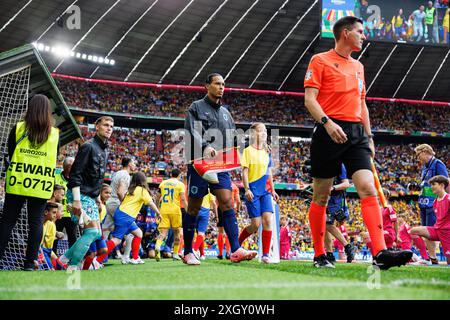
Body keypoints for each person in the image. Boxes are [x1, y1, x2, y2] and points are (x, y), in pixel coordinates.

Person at [303, 16, 412, 269]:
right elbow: (310, 99)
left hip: (356, 134)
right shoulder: (319, 60)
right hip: (327, 130)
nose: (364, 36)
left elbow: (362, 103)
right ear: (345, 34)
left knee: (367, 187)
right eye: (360, 32)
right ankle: (320, 254)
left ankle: (381, 254)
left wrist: (369, 135)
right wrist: (328, 124)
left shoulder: (359, 66)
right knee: (321, 195)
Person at [183, 73, 256, 265]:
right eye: (217, 84)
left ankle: (236, 249)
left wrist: (247, 142)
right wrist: (206, 146)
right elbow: (192, 131)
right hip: (199, 164)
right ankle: (188, 252)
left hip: (221, 165)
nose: (221, 87)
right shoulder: (196, 107)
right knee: (194, 208)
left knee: (227, 202)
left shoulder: (226, 113)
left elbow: (233, 140)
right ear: (207, 86)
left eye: (223, 84)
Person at [0, 94, 60, 271]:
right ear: (48, 111)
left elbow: (10, 154)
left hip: (18, 181)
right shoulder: (55, 134)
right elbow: (54, 158)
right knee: (35, 222)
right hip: (40, 184)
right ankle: (29, 263)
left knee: (8, 221)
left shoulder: (18, 128)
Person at [60, 116, 114, 270]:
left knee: (96, 233)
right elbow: (76, 174)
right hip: (79, 195)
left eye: (111, 126)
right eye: (105, 125)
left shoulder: (105, 149)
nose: (109, 128)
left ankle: (63, 259)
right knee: (91, 233)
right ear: (97, 127)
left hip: (90, 196)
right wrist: (76, 200)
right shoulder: (88, 146)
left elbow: (97, 176)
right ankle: (72, 267)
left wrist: (97, 197)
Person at [96, 172, 160, 265]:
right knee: (117, 240)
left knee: (138, 233)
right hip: (126, 216)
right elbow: (150, 203)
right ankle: (97, 260)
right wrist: (158, 213)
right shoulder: (142, 190)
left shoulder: (131, 190)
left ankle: (135, 257)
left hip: (122, 213)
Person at [237, 122, 279, 264]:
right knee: (255, 224)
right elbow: (245, 171)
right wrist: (247, 188)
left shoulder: (267, 151)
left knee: (268, 220)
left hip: (266, 191)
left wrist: (273, 190)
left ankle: (266, 255)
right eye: (261, 131)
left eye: (265, 131)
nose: (264, 133)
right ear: (253, 134)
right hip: (253, 191)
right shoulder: (247, 151)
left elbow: (269, 173)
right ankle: (236, 245)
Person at [414, 144, 448, 264]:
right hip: (424, 203)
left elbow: (446, 182)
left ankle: (434, 257)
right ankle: (432, 258)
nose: (418, 158)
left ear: (424, 152)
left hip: (433, 204)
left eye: (418, 155)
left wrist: (445, 201)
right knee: (426, 232)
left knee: (432, 232)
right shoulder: (425, 167)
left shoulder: (438, 164)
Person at [410, 175, 450, 265]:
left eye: (433, 184)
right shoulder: (435, 201)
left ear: (442, 185)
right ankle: (431, 258)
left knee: (449, 263)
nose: (431, 187)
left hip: (447, 233)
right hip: (437, 230)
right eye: (431, 184)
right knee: (414, 231)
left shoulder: (448, 198)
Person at [324, 164, 356, 264]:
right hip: (326, 199)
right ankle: (329, 254)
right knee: (325, 227)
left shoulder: (339, 165)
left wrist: (333, 188)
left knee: (327, 225)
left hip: (335, 200)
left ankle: (348, 246)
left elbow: (346, 184)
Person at [155, 168, 186, 261]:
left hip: (164, 210)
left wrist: (157, 209)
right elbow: (183, 200)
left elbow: (157, 197)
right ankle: (175, 254)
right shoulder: (180, 184)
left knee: (163, 233)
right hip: (175, 210)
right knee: (177, 233)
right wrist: (188, 210)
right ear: (179, 175)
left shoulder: (163, 183)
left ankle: (157, 246)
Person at [104, 157, 136, 241]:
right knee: (133, 231)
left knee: (105, 231)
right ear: (129, 164)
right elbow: (120, 192)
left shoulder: (117, 173)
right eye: (133, 163)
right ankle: (127, 254)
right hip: (116, 204)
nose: (135, 165)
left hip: (109, 203)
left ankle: (98, 252)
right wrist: (125, 205)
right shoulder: (126, 175)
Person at [82, 183, 111, 270]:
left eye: (110, 193)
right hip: (93, 229)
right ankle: (86, 267)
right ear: (99, 192)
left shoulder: (104, 204)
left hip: (99, 229)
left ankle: (91, 260)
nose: (108, 195)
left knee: (104, 249)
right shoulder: (96, 205)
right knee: (92, 252)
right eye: (106, 193)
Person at [53, 156, 77, 253]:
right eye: (72, 166)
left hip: (71, 214)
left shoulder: (76, 179)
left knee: (73, 238)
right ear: (67, 166)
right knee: (54, 236)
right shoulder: (55, 176)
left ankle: (72, 259)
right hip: (57, 213)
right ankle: (52, 258)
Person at [216, 181, 239, 259]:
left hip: (220, 207)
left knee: (220, 231)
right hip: (230, 207)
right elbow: (238, 201)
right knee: (229, 231)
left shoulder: (222, 184)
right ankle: (228, 253)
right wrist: (237, 210)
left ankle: (220, 253)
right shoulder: (235, 187)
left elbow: (216, 199)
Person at [193, 192, 217, 261]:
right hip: (205, 211)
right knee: (201, 233)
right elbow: (214, 203)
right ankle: (194, 250)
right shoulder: (210, 190)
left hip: (196, 209)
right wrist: (216, 216)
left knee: (198, 233)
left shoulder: (199, 186)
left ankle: (202, 254)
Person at [40, 202, 60, 270]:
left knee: (60, 266)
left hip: (48, 251)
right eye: (54, 212)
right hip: (42, 251)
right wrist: (41, 256)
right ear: (45, 212)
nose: (55, 215)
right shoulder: (40, 225)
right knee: (50, 269)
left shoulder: (49, 223)